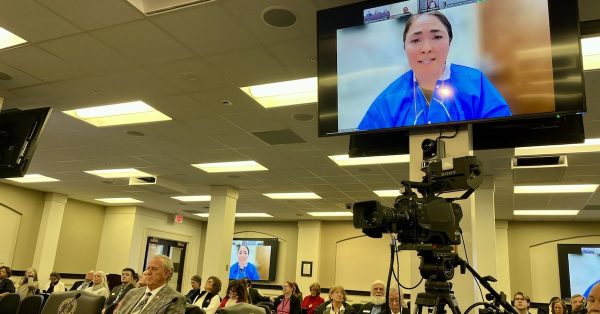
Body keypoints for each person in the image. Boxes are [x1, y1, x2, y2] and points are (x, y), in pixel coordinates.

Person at [358, 11, 511, 130]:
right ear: (404, 47)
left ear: (449, 41)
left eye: (437, 37)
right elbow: (363, 148)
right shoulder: (389, 99)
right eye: (415, 40)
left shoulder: (475, 82)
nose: (426, 48)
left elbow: (503, 133)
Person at [115, 255, 186, 314]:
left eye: (154, 269)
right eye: (148, 268)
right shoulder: (132, 293)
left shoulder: (175, 299)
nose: (148, 272)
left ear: (167, 273)